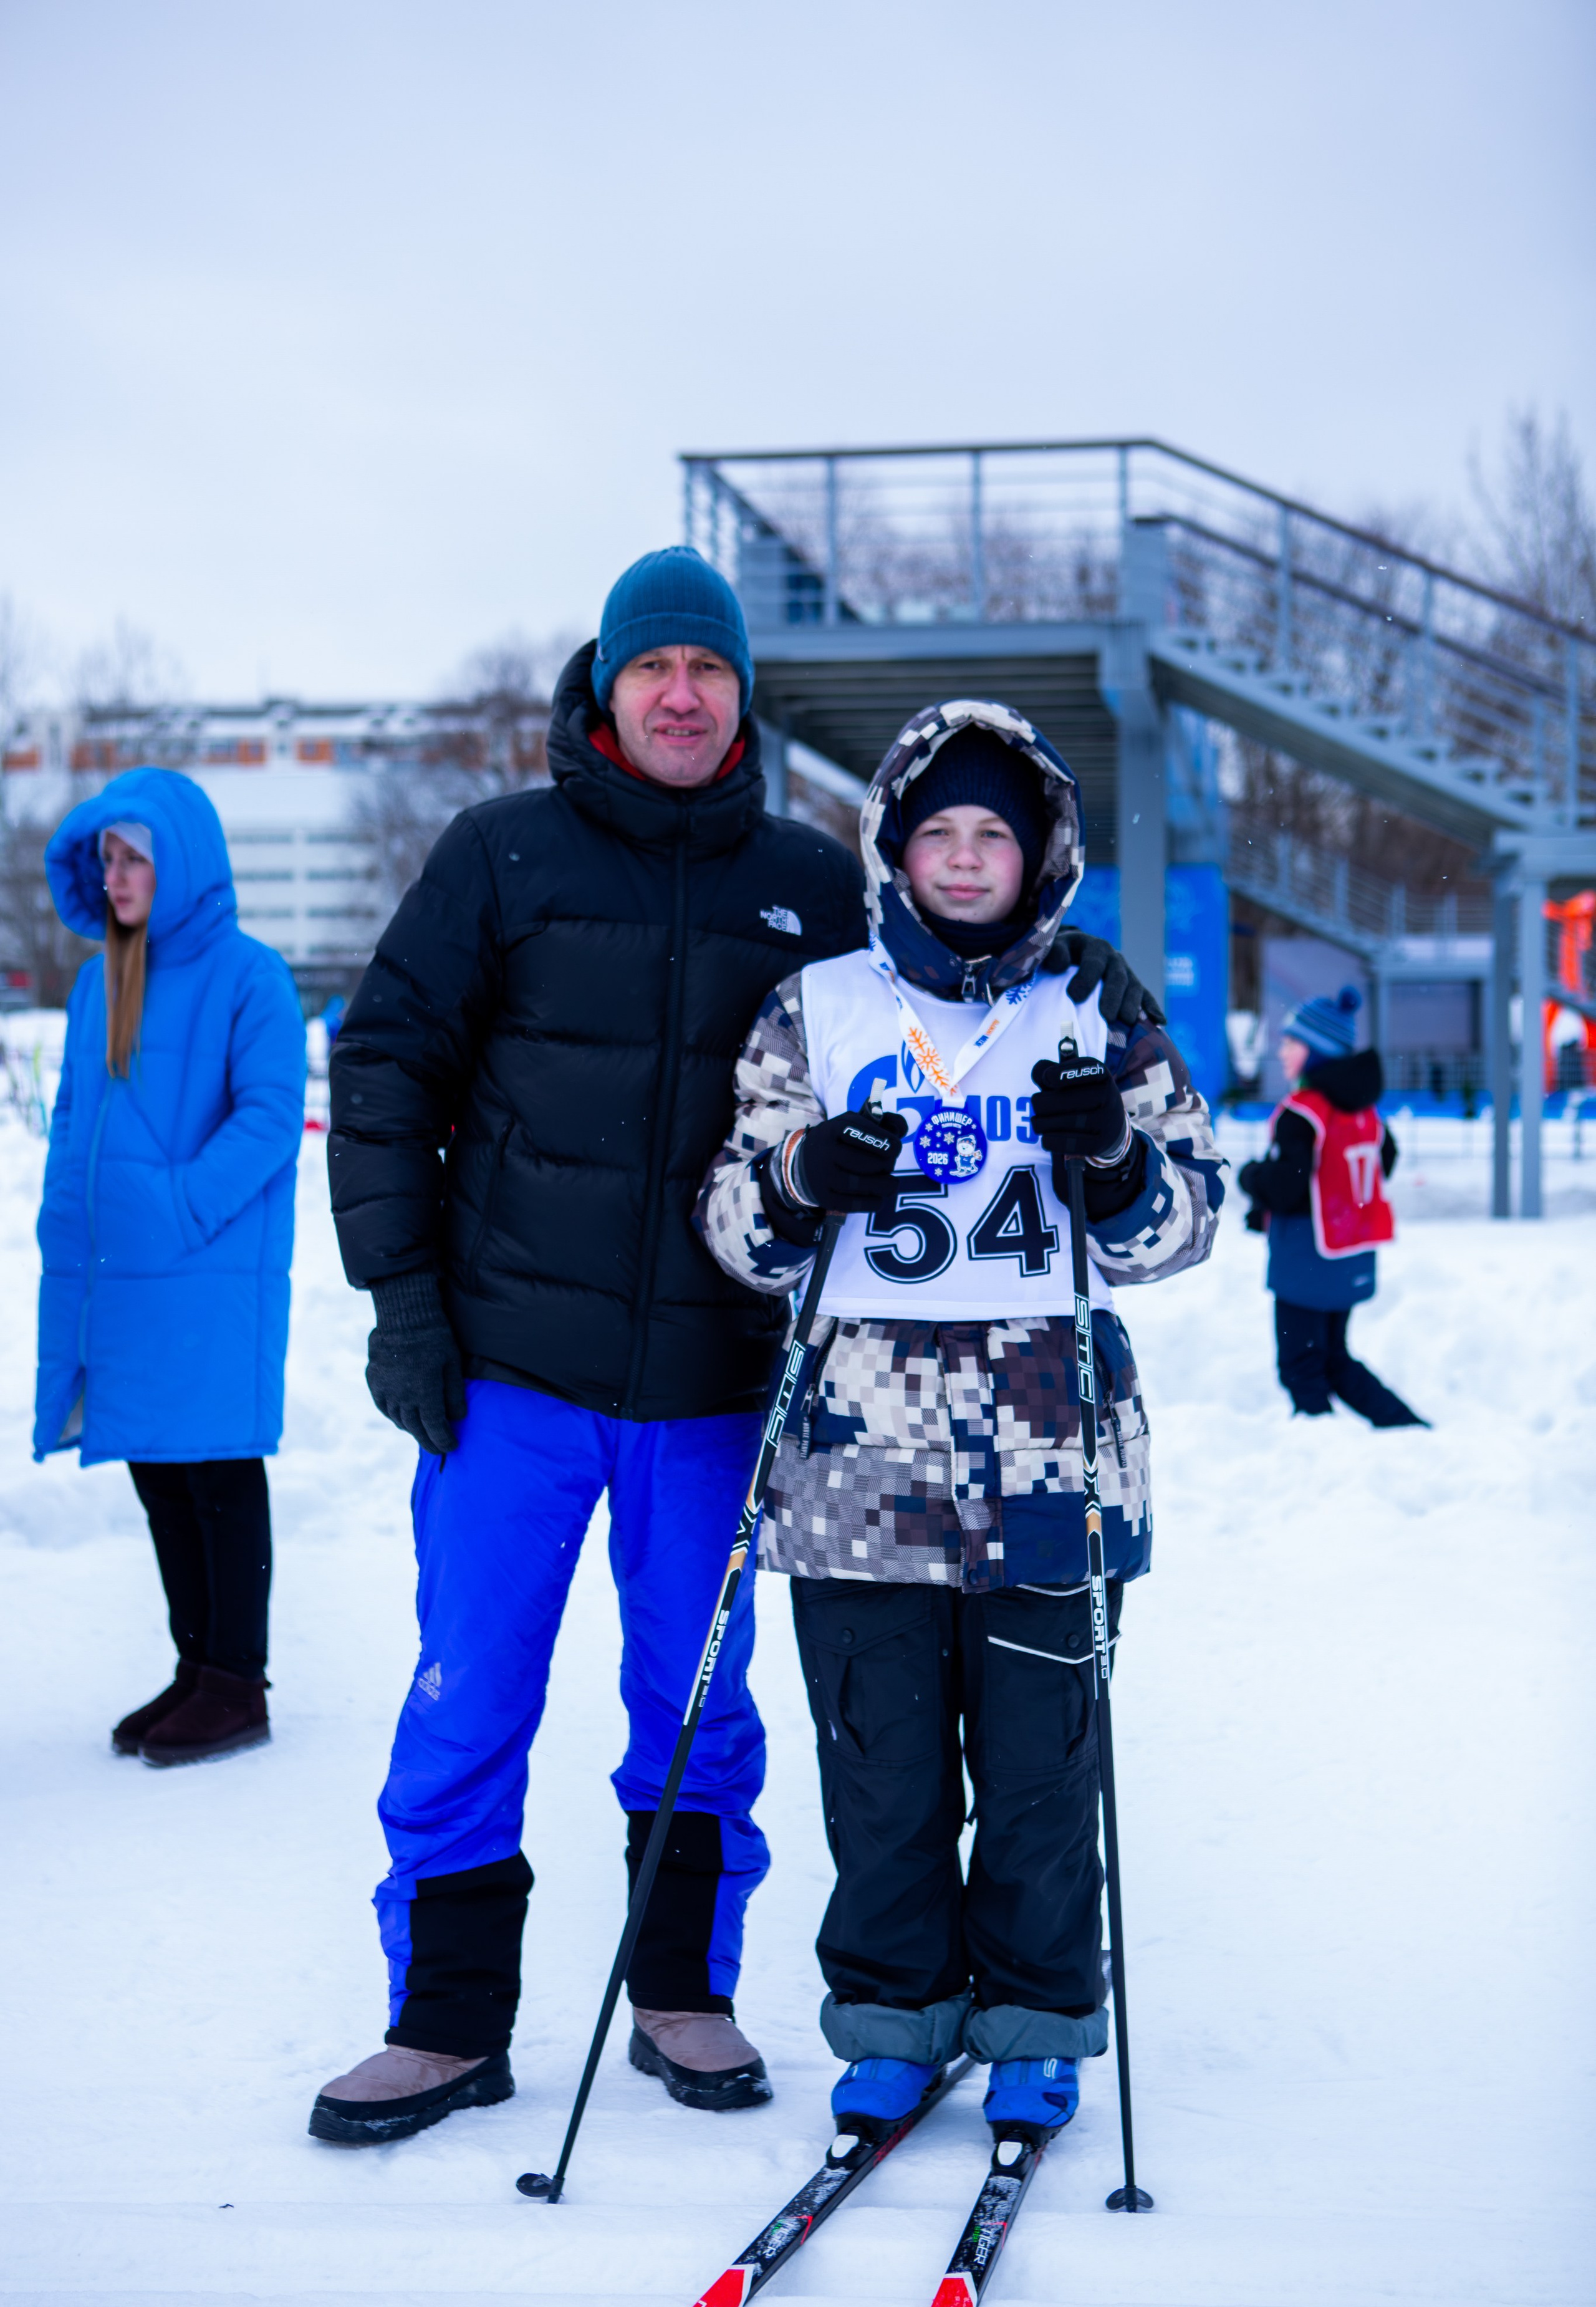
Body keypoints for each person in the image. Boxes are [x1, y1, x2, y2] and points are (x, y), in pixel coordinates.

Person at [314, 554, 1158, 2149]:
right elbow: (383, 1073)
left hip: (716, 1386)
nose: (681, 693)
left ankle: (679, 1989)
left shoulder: (807, 885)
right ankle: (441, 2019)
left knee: (693, 1701)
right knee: (465, 1686)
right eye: (654, 669)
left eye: (708, 666)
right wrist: (402, 1301)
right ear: (607, 686)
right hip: (510, 1370)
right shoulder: (498, 854)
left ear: (741, 693)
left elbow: (908, 1055)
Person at [696, 698, 1223, 2146]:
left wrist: (1113, 1164)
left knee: (1043, 1769)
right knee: (882, 1774)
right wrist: (805, 1172)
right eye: (941, 828)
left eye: (994, 829)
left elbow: (1188, 1220)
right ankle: (890, 2021)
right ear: (895, 847)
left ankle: (1038, 2025)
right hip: (860, 1465)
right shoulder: (819, 1006)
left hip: (1048, 1451)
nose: (969, 854)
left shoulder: (1093, 1000)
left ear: (1037, 845)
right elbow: (734, 1224)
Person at [33, 768, 307, 1763]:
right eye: (105, 856)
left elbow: (273, 1119)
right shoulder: (98, 978)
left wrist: (182, 1205)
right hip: (125, 1275)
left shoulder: (252, 976)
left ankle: (240, 1680)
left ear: (180, 860)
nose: (114, 875)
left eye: (133, 855)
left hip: (208, 1270)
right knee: (158, 1464)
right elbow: (74, 1113)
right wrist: (68, 1207)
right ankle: (198, 1668)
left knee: (218, 1468)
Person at [1238, 987, 1426, 1427]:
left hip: (1305, 1261)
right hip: (1349, 1254)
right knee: (1335, 1359)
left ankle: (1318, 1447)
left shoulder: (1303, 1113)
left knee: (1301, 1368)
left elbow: (1288, 1186)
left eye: (1291, 1042)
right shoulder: (1363, 1111)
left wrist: (1251, 1178)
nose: (1282, 1051)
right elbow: (1385, 1159)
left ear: (1317, 1052)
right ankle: (1408, 1429)